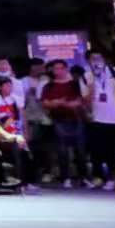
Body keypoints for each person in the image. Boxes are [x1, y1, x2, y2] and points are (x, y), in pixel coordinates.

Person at [40, 59, 89, 187]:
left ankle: (83, 178)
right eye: (56, 68)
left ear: (66, 69)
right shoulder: (48, 86)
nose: (58, 71)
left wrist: (68, 104)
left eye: (61, 68)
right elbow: (45, 103)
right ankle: (65, 177)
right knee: (62, 151)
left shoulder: (75, 84)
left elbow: (82, 100)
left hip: (76, 119)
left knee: (80, 150)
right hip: (59, 120)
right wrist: (57, 103)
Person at [87, 50, 115, 190]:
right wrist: (92, 86)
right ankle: (105, 178)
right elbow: (85, 99)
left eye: (99, 58)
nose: (96, 62)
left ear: (105, 59)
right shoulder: (86, 76)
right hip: (98, 118)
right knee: (102, 150)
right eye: (93, 59)